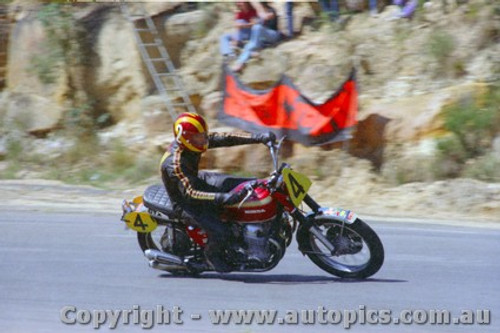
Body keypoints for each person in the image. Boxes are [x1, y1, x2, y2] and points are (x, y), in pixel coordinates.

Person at [160, 112, 275, 272]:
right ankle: (212, 256)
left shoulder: (195, 142)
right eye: (199, 136)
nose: (204, 139)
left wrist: (259, 137)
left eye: (204, 134)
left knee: (246, 184)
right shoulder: (174, 163)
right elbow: (190, 193)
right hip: (185, 202)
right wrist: (224, 198)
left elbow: (225, 138)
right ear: (186, 138)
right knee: (222, 230)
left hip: (196, 180)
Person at [232, 2, 281, 73]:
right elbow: (254, 22)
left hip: (273, 35)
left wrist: (266, 16)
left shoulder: (270, 10)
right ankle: (241, 62)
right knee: (252, 40)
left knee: (257, 28)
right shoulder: (257, 12)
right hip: (263, 39)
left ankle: (241, 61)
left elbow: (269, 16)